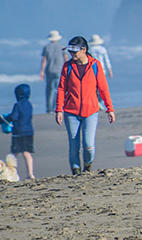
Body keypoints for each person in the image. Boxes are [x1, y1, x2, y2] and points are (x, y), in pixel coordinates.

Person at [55, 36, 114, 175]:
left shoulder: (95, 65)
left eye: (74, 51)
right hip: (71, 112)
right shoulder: (67, 66)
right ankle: (76, 172)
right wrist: (59, 110)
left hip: (91, 111)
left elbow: (103, 88)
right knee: (74, 146)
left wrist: (109, 109)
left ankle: (87, 167)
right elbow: (61, 88)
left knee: (88, 145)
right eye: (70, 51)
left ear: (84, 50)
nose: (72, 54)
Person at [5, 83, 35, 179]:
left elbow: (14, 117)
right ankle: (30, 174)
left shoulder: (17, 105)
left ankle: (10, 173)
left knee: (14, 154)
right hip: (29, 131)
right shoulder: (29, 105)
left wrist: (5, 119)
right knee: (27, 153)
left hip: (18, 132)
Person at [38, 30, 66, 113]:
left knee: (49, 90)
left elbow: (44, 60)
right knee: (58, 90)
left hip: (49, 70)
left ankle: (49, 108)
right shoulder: (62, 47)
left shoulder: (47, 47)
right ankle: (55, 107)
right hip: (60, 71)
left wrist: (42, 71)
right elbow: (66, 59)